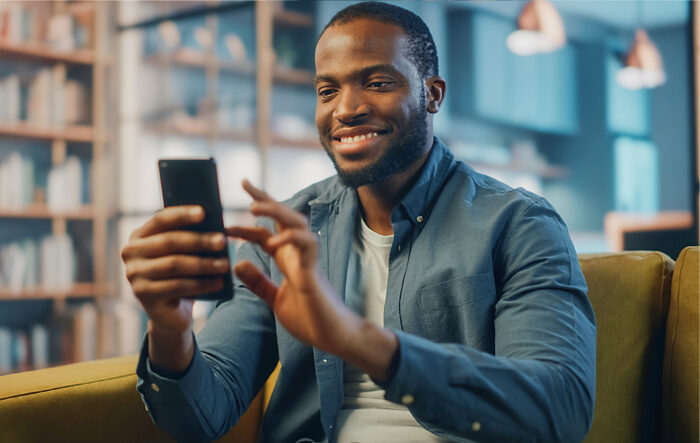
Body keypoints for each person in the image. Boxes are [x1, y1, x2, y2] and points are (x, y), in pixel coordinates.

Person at [120, 2, 596, 442]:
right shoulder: (283, 236)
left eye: (378, 83)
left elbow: (561, 409)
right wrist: (170, 329)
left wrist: (358, 340)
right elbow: (203, 416)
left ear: (432, 94)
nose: (345, 109)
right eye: (328, 90)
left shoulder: (518, 223)